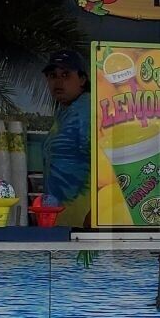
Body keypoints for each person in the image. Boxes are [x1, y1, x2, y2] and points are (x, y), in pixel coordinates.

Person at [42, 49, 91, 227]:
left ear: (82, 79)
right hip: (61, 221)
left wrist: (96, 214)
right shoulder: (65, 110)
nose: (58, 81)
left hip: (81, 222)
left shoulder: (87, 111)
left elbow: (107, 167)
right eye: (52, 75)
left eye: (66, 74)